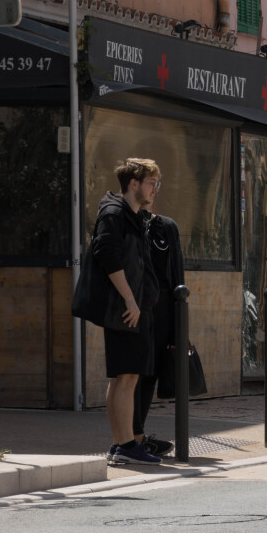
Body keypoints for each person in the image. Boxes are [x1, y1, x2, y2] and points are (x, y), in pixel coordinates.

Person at [94, 158, 162, 465]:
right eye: (151, 183)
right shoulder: (113, 213)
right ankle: (123, 445)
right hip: (124, 310)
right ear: (133, 183)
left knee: (129, 376)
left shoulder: (134, 215)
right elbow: (108, 257)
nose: (155, 189)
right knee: (124, 376)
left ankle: (122, 444)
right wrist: (131, 301)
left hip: (136, 309)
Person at [131, 189, 186, 458]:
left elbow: (177, 276)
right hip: (134, 306)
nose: (152, 191)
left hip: (162, 309)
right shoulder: (122, 221)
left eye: (156, 185)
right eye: (147, 184)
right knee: (132, 372)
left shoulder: (166, 227)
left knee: (151, 373)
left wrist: (179, 324)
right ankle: (131, 438)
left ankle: (137, 435)